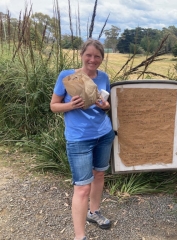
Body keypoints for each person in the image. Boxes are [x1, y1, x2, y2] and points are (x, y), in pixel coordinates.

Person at [50, 39, 115, 240]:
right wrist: (71, 106)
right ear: (82, 55)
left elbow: (107, 104)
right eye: (89, 55)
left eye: (97, 56)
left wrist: (105, 106)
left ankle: (93, 212)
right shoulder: (67, 76)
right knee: (82, 187)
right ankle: (80, 236)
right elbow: (54, 105)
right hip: (79, 139)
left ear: (101, 58)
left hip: (104, 134)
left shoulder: (103, 77)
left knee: (99, 175)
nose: (92, 60)